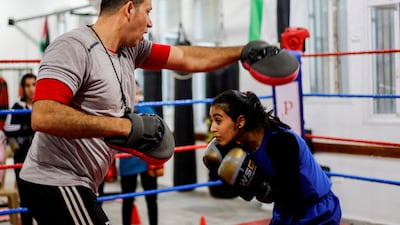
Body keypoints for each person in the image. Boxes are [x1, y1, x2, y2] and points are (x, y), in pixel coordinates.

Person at [17, 0, 250, 224]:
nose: (150, 23)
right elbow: (44, 115)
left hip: (81, 182)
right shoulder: (73, 47)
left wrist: (243, 52)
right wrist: (125, 126)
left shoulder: (131, 51)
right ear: (129, 9)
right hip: (55, 179)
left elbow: (186, 57)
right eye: (148, 12)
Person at [205, 90, 342, 225]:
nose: (212, 128)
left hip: (317, 211)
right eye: (212, 121)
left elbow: (293, 195)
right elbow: (248, 195)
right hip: (285, 210)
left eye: (218, 120)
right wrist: (228, 175)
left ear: (240, 121)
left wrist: (261, 186)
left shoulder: (280, 142)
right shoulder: (244, 146)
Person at [119, 80, 160, 225]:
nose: (136, 98)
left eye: (137, 93)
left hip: (147, 162)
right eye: (132, 94)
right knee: (128, 199)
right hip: (127, 162)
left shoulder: (148, 111)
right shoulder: (119, 114)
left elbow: (160, 136)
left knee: (151, 199)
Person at [4, 73, 36, 225]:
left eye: (34, 84)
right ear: (23, 88)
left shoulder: (42, 106)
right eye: (27, 85)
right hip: (23, 158)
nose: (31, 89)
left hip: (42, 158)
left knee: (45, 198)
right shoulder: (18, 107)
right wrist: (28, 127)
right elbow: (8, 128)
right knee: (26, 198)